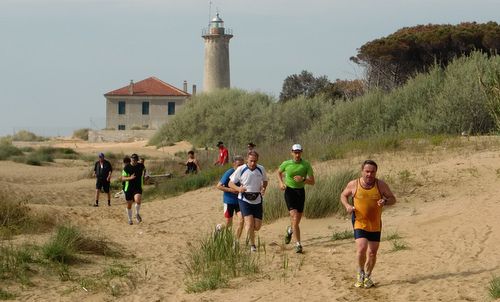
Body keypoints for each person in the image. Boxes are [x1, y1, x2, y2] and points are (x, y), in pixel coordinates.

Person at [340, 160, 396, 288]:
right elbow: (343, 195)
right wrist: (347, 205)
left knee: (372, 253)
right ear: (362, 171)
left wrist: (385, 201)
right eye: (367, 171)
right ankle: (360, 273)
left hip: (375, 223)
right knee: (362, 248)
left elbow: (393, 199)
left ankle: (368, 276)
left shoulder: (381, 185)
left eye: (372, 172)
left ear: (376, 172)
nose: (369, 174)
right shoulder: (354, 184)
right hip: (359, 221)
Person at [277, 144, 315, 253]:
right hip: (289, 191)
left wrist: (303, 179)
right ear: (291, 152)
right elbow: (279, 172)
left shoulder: (306, 165)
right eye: (295, 152)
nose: (297, 154)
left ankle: (290, 230)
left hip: (300, 192)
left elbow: (312, 182)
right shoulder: (286, 163)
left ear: (301, 152)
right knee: (294, 218)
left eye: (299, 152)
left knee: (296, 221)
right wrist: (281, 183)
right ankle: (298, 244)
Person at [229, 151, 268, 252]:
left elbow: (265, 180)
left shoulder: (261, 169)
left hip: (257, 200)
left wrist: (263, 188)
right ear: (247, 160)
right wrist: (238, 189)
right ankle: (252, 245)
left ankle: (249, 232)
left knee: (257, 227)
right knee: (249, 224)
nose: (253, 163)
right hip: (244, 200)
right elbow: (230, 183)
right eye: (251, 161)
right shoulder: (241, 169)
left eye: (255, 161)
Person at [216, 155, 245, 240]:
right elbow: (218, 186)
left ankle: (235, 242)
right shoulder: (229, 172)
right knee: (229, 223)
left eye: (242, 165)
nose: (240, 167)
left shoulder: (244, 173)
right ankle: (219, 227)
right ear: (234, 165)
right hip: (229, 201)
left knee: (241, 220)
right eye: (238, 165)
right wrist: (231, 190)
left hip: (240, 201)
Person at [121, 153, 146, 225]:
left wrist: (145, 176)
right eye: (132, 159)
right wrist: (130, 178)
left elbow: (144, 171)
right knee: (129, 205)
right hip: (128, 188)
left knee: (138, 200)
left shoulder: (140, 166)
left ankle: (137, 214)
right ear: (131, 159)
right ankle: (130, 219)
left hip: (137, 187)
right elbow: (122, 178)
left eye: (135, 159)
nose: (133, 161)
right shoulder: (126, 168)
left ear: (137, 160)